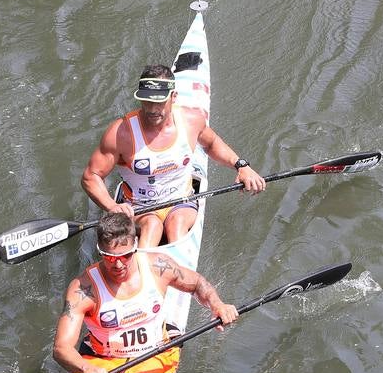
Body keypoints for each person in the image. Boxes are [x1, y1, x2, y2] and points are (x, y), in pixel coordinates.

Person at [81, 63, 266, 248]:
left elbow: (211, 144)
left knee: (176, 225)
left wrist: (241, 166)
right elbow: (91, 176)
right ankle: (142, 263)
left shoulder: (191, 121)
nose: (152, 109)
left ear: (174, 96)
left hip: (181, 202)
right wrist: (112, 207)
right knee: (152, 226)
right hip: (139, 208)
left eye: (159, 101)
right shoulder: (120, 133)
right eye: (146, 101)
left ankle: (172, 261)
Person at [53, 212, 238, 373]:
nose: (118, 264)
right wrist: (86, 368)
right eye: (110, 257)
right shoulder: (83, 289)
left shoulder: (158, 266)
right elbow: (61, 348)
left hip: (156, 353)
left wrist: (217, 305)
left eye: (125, 255)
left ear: (135, 245)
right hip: (105, 363)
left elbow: (196, 283)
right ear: (100, 251)